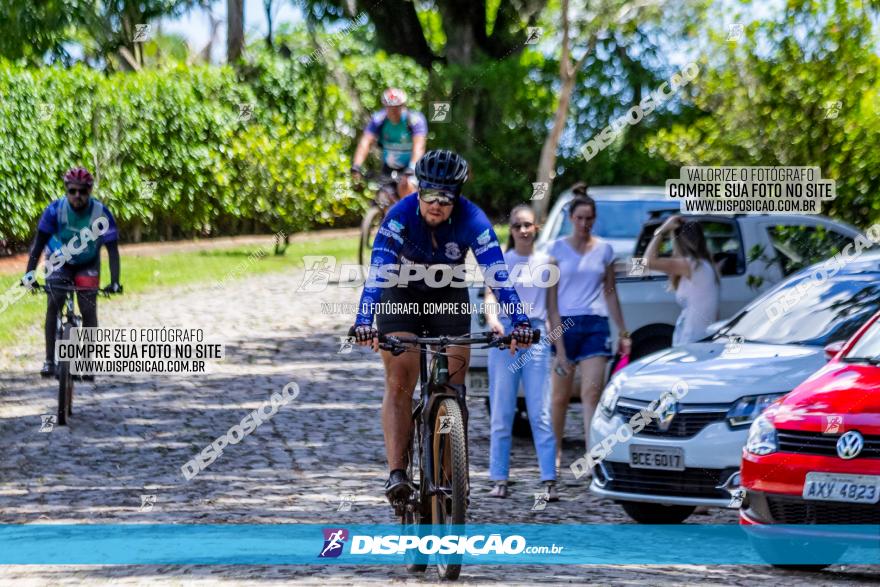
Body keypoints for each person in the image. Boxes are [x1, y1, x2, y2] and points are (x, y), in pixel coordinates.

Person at [350, 149, 534, 504]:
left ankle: (450, 474)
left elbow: (498, 276)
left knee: (453, 384)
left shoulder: (473, 220)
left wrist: (520, 321)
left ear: (458, 197)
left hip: (447, 295)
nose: (437, 204)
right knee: (400, 381)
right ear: (418, 191)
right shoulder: (398, 217)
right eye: (429, 195)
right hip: (400, 293)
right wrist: (363, 321)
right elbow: (378, 273)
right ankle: (397, 474)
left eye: (446, 198)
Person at [547, 186, 630, 473]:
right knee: (559, 396)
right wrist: (557, 342)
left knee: (592, 393)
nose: (585, 224)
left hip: (595, 324)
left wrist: (623, 330)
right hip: (564, 323)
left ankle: (592, 457)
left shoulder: (605, 250)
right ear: (571, 218)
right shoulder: (555, 249)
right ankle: (553, 454)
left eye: (590, 218)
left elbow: (610, 292)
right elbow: (551, 300)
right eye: (580, 218)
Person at [484, 204, 558, 500]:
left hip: (537, 336)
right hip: (505, 336)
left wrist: (558, 347)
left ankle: (549, 480)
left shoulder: (548, 261)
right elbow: (490, 296)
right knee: (502, 411)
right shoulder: (501, 262)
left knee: (540, 411)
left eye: (528, 225)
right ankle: (499, 479)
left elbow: (554, 307)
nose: (523, 230)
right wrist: (492, 320)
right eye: (517, 226)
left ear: (536, 227)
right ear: (511, 230)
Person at [21, 167, 122, 378]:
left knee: (88, 307)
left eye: (83, 191)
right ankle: (49, 360)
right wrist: (29, 275)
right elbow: (38, 245)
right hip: (59, 261)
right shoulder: (54, 210)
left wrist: (115, 281)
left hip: (87, 262)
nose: (77, 196)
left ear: (90, 191)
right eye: (73, 191)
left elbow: (112, 250)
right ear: (66, 190)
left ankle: (86, 361)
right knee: (54, 301)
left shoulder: (100, 214)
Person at [645, 214, 720, 345]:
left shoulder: (692, 265)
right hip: (699, 339)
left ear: (679, 242)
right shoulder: (703, 266)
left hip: (694, 342)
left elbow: (646, 262)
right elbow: (639, 266)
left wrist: (662, 230)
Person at [350, 88, 427, 200]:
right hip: (388, 167)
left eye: (397, 108)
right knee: (383, 197)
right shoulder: (378, 119)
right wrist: (356, 165)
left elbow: (419, 146)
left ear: (403, 106)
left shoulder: (415, 120)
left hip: (410, 167)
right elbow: (365, 142)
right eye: (390, 108)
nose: (393, 112)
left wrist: (412, 167)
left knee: (405, 189)